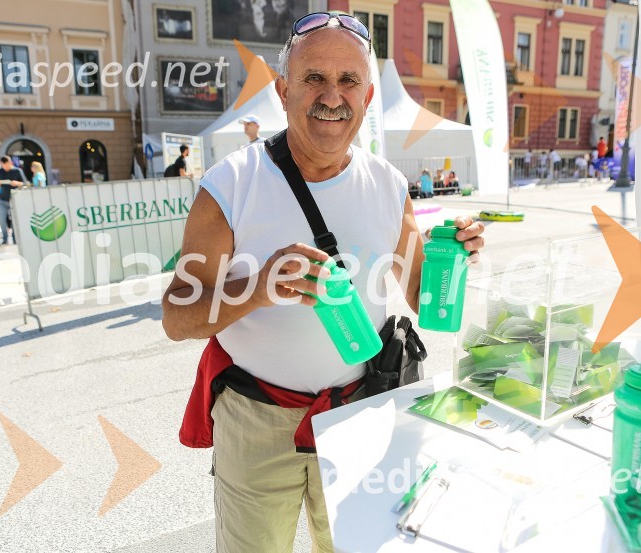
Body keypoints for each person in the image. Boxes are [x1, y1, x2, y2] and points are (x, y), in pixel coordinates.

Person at [162, 12, 484, 553]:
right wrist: (259, 287)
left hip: (363, 414)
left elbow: (424, 300)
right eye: (314, 78)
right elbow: (177, 318)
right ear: (284, 90)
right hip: (258, 420)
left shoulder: (387, 184)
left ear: (368, 95)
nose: (331, 96)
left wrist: (456, 252)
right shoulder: (231, 184)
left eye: (348, 80)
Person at [0, 156, 26, 245]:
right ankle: (5, 239)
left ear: (10, 163)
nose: (4, 167)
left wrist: (17, 183)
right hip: (2, 199)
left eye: (6, 165)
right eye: (3, 165)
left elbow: (24, 183)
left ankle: (15, 239)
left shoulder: (17, 171)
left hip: (14, 200)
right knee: (1, 220)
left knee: (14, 220)